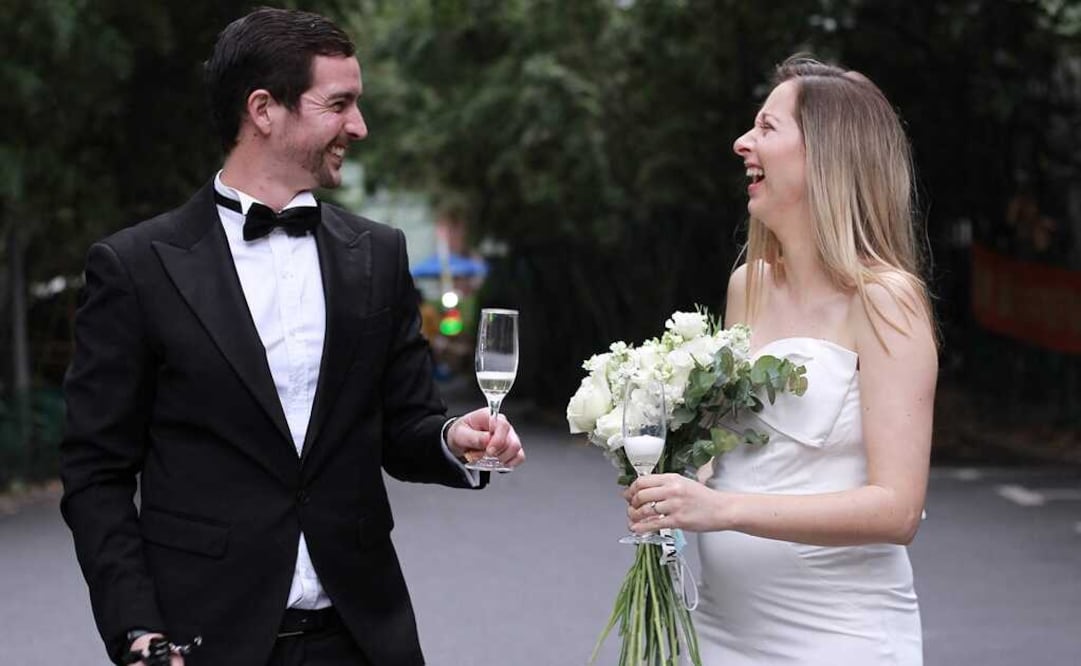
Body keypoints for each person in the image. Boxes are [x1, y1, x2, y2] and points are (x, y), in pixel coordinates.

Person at [59, 8, 523, 666]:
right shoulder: (135, 267)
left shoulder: (379, 256)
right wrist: (136, 630)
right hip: (201, 639)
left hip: (361, 635)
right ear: (263, 110)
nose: (358, 127)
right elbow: (95, 473)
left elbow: (406, 426)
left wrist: (456, 439)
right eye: (339, 104)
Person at [625, 56, 936, 664]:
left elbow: (898, 509)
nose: (743, 142)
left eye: (767, 128)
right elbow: (730, 456)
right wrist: (672, 482)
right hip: (720, 630)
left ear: (826, 154)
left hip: (838, 636)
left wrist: (722, 511)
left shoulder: (885, 300)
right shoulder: (750, 285)